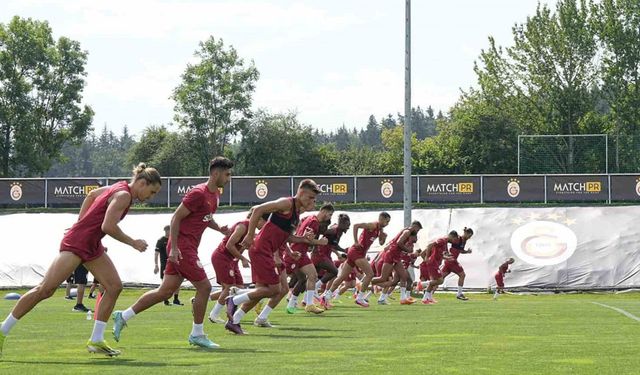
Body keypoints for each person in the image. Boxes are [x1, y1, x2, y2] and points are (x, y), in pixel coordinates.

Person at [0, 163, 161, 357]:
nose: (151, 197)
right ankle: (3, 330)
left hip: (91, 245)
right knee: (45, 290)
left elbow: (91, 196)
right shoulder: (124, 196)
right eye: (151, 192)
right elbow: (108, 226)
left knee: (114, 286)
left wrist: (81, 223)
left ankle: (97, 339)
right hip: (78, 243)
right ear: (142, 183)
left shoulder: (118, 187)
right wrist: (132, 242)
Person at [111, 156, 233, 349]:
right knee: (205, 288)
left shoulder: (215, 195)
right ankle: (197, 334)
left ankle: (123, 315)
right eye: (227, 174)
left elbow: (206, 218)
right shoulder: (198, 193)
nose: (229, 178)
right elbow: (176, 217)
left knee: (165, 291)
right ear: (215, 173)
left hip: (187, 247)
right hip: (182, 247)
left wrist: (220, 229)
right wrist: (174, 248)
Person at [224, 179, 320, 334]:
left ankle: (234, 320)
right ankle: (234, 299)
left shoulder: (296, 213)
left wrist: (303, 239)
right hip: (261, 249)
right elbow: (258, 210)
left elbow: (285, 236)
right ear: (301, 193)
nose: (312, 202)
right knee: (275, 289)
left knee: (261, 291)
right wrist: (249, 235)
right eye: (310, 198)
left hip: (266, 251)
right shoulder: (286, 203)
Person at [208, 210, 269, 324]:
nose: (265, 226)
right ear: (259, 219)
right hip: (222, 257)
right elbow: (229, 245)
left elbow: (242, 245)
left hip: (231, 259)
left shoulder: (250, 230)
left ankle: (201, 301)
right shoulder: (243, 226)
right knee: (229, 287)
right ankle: (214, 314)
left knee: (238, 288)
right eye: (265, 223)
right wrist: (242, 258)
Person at [322, 212, 391, 308]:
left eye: (388, 222)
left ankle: (326, 296)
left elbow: (381, 243)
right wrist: (356, 241)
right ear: (381, 219)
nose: (387, 223)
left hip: (357, 253)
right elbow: (356, 226)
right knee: (370, 274)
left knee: (342, 277)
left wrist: (383, 238)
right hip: (356, 252)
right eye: (386, 221)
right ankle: (360, 298)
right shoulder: (372, 225)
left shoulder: (380, 229)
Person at [283, 204, 334, 314]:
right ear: (324, 211)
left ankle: (307, 304)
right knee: (279, 284)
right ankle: (260, 298)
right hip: (296, 253)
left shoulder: (310, 218)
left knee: (311, 276)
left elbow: (304, 234)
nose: (330, 217)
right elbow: (306, 239)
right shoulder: (314, 222)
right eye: (330, 214)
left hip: (302, 253)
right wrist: (320, 242)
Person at [371, 221, 422, 305]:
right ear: (415, 226)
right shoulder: (407, 232)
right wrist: (407, 250)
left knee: (403, 276)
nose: (417, 232)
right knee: (383, 278)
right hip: (392, 253)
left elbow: (395, 241)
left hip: (396, 255)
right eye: (418, 230)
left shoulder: (406, 231)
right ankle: (363, 283)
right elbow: (399, 242)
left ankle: (402, 299)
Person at [312, 214, 350, 309]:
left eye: (349, 224)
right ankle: (316, 287)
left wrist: (342, 251)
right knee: (334, 271)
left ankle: (304, 300)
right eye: (347, 225)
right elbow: (319, 233)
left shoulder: (339, 231)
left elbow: (333, 245)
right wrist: (314, 245)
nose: (348, 227)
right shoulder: (333, 230)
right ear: (342, 223)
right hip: (320, 253)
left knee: (311, 277)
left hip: (326, 254)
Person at [420, 231, 459, 305]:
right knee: (440, 280)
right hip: (432, 263)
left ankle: (426, 298)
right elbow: (430, 245)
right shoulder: (442, 240)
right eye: (454, 239)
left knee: (434, 282)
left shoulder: (445, 243)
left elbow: (440, 254)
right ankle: (421, 284)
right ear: (452, 236)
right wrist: (427, 257)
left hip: (435, 263)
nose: (454, 242)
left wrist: (447, 258)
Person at [441, 227, 474, 301]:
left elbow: (460, 250)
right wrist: (446, 251)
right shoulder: (458, 239)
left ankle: (424, 287)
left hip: (449, 262)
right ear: (466, 233)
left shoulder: (464, 241)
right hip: (452, 261)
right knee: (462, 275)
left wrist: (467, 252)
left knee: (439, 279)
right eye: (469, 235)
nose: (469, 237)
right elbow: (446, 240)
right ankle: (459, 294)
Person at [154, 225, 182, 306]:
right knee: (165, 282)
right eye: (166, 230)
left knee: (177, 280)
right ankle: (165, 300)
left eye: (169, 230)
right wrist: (156, 265)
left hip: (175, 263)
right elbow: (156, 254)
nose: (167, 232)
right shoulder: (161, 240)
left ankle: (176, 299)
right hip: (164, 264)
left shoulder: (174, 239)